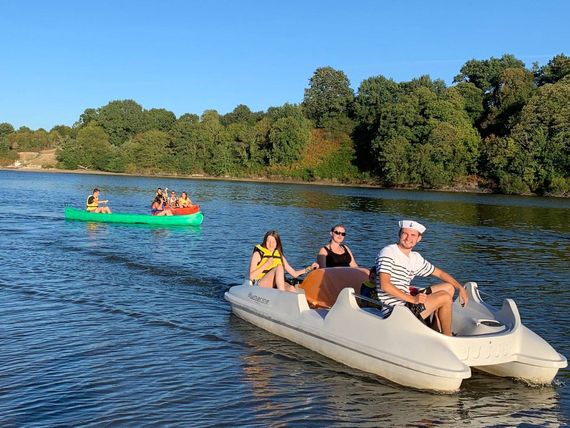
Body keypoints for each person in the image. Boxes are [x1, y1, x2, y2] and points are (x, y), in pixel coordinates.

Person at [375, 220, 468, 336]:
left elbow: (440, 274)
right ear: (399, 234)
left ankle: (435, 330)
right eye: (405, 233)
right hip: (395, 310)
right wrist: (413, 299)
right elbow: (385, 285)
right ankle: (448, 337)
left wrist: (460, 287)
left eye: (413, 235)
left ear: (419, 238)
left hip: (407, 302)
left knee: (449, 288)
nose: (408, 238)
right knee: (444, 297)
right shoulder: (389, 252)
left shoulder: (415, 258)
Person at [249, 230, 319, 292]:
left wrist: (310, 268)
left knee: (291, 288)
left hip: (276, 283)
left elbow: (294, 274)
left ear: (277, 243)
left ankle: (290, 304)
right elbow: (251, 277)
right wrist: (266, 264)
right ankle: (281, 296)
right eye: (268, 241)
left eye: (273, 242)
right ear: (265, 241)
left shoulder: (279, 256)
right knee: (279, 267)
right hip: (261, 283)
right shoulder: (258, 254)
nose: (271, 244)